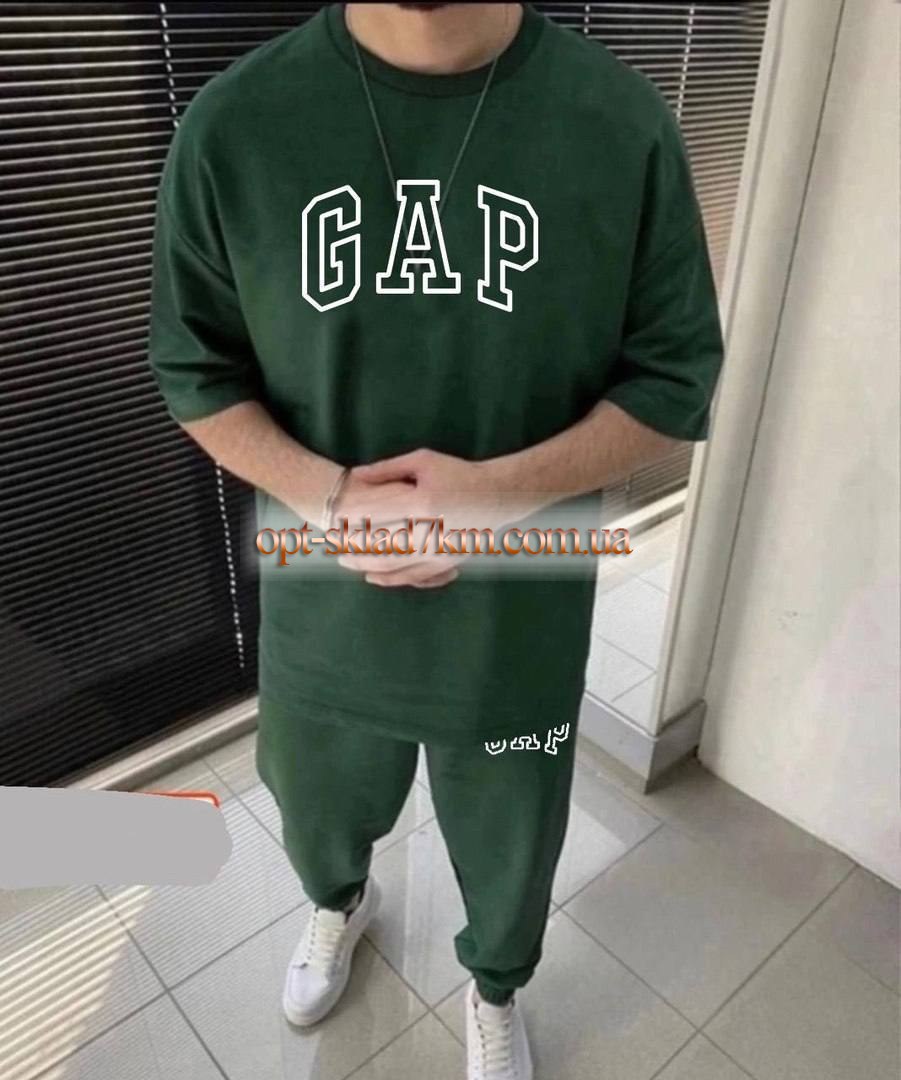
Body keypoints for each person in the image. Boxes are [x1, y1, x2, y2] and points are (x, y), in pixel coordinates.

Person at [148, 3, 724, 1077]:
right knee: (317, 801)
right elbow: (194, 372)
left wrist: (495, 494)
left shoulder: (618, 124)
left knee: (512, 824)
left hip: (519, 608)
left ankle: (496, 985)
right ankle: (338, 903)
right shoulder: (235, 126)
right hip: (320, 591)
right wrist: (328, 496)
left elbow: (675, 381)